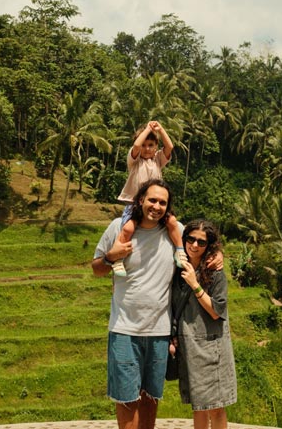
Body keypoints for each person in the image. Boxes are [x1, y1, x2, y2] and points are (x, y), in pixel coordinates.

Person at [92, 180, 222, 429]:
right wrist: (111, 257)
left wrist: (218, 254)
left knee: (150, 398)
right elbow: (96, 269)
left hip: (159, 332)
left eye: (162, 202)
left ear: (168, 207)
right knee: (127, 399)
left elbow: (203, 245)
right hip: (124, 329)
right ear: (140, 200)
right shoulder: (118, 228)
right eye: (152, 200)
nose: (156, 206)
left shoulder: (177, 232)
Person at [170, 219, 237, 429]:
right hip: (189, 345)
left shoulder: (215, 273)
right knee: (198, 405)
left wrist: (195, 284)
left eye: (202, 242)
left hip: (213, 346)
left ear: (209, 246)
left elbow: (217, 311)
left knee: (216, 406)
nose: (195, 245)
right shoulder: (177, 269)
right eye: (191, 239)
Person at [112, 121, 186, 277]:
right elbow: (136, 147)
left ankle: (180, 251)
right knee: (127, 229)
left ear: (156, 146)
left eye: (151, 145)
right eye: (144, 145)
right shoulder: (135, 161)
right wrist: (147, 129)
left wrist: (161, 129)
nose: (146, 148)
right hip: (134, 204)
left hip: (156, 204)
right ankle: (118, 259)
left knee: (172, 222)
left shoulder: (158, 160)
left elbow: (170, 147)